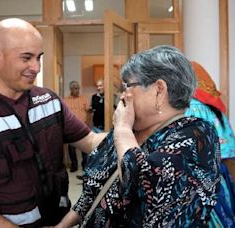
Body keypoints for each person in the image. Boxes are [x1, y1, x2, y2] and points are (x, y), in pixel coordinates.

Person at [0, 18, 106, 227]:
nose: (35, 67)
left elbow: (90, 141)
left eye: (39, 57)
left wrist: (130, 130)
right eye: (26, 58)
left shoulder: (49, 100)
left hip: (56, 220)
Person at [56, 45, 221, 227]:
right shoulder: (131, 130)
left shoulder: (196, 136)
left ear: (159, 90)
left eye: (127, 86)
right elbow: (93, 194)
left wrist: (122, 130)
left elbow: (147, 195)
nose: (122, 95)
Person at [185, 61, 235, 227]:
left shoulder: (189, 107)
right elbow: (228, 147)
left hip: (198, 176)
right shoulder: (214, 107)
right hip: (219, 171)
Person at [64, 81, 89, 172]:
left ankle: (85, 165)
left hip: (83, 126)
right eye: (75, 88)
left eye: (78, 88)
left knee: (84, 147)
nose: (77, 90)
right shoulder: (66, 100)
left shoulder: (83, 98)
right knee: (72, 147)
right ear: (71, 89)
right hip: (71, 127)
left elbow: (88, 111)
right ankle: (74, 165)